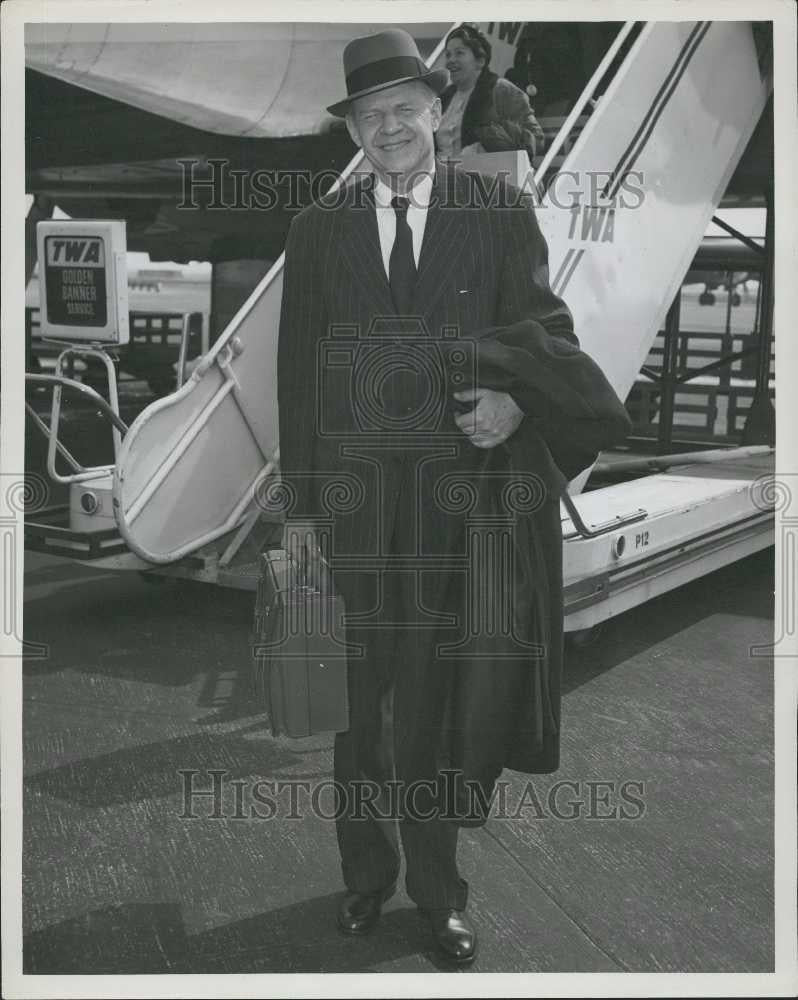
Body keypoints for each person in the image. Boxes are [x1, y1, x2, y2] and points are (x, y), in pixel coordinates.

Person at [276, 27, 629, 966]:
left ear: (439, 112)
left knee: (436, 710)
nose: (387, 128)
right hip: (352, 512)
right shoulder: (315, 233)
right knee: (353, 712)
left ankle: (439, 895)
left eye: (403, 109)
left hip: (457, 511)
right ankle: (364, 878)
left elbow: (543, 329)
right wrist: (301, 517)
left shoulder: (498, 210)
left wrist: (517, 401)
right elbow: (298, 381)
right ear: (352, 128)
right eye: (368, 114)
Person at [437, 23, 544, 161]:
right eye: (448, 55)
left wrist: (486, 147)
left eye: (459, 53)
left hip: (489, 178)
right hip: (444, 179)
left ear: (480, 61)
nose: (450, 60)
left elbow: (536, 138)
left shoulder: (501, 90)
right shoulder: (444, 97)